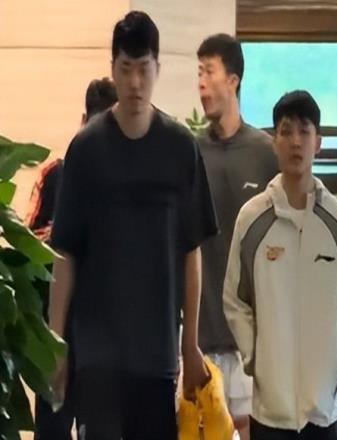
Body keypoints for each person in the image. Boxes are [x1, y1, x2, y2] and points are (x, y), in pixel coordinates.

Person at [49, 11, 217, 439]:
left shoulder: (180, 148)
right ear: (113, 69)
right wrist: (56, 341)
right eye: (126, 69)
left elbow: (191, 251)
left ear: (158, 68)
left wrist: (190, 343)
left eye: (144, 69)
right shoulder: (86, 149)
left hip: (156, 354)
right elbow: (65, 251)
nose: (135, 82)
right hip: (97, 356)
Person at [223, 90, 337, 440]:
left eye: (304, 131)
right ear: (274, 142)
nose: (296, 141)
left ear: (319, 142)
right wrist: (256, 360)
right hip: (270, 413)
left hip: (322, 411)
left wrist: (336, 370)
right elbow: (235, 300)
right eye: (286, 131)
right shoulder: (252, 219)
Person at [196, 33, 278, 440]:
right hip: (200, 339)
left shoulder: (266, 153)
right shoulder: (191, 153)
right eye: (198, 73)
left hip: (251, 340)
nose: (201, 84)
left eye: (209, 72)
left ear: (233, 80)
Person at [26, 77, 117, 440]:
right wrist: (66, 235)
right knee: (51, 429)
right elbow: (28, 243)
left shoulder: (122, 186)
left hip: (104, 334)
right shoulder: (55, 174)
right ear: (82, 123)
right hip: (56, 328)